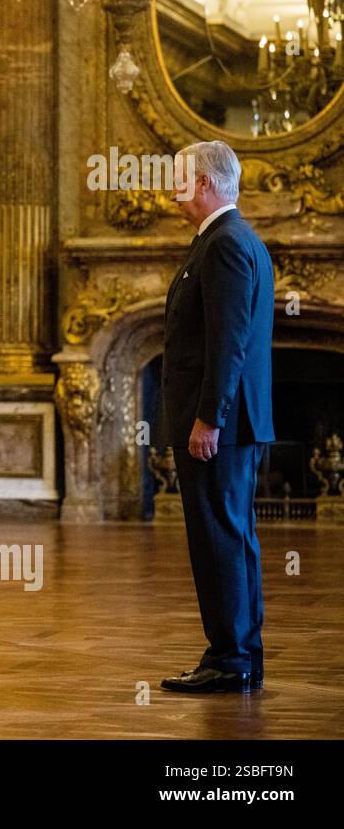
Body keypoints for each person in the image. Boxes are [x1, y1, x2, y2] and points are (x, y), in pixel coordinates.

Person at [160, 140, 274, 694]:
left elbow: (227, 345)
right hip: (228, 425)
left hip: (218, 429)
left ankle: (229, 659)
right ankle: (240, 653)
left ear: (204, 185)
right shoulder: (233, 240)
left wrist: (208, 419)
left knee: (218, 538)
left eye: (180, 183)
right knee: (231, 536)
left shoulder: (224, 245)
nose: (173, 194)